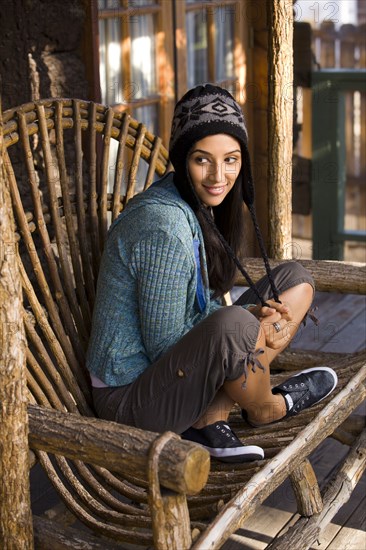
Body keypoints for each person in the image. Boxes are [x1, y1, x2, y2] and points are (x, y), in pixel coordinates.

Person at [86, 84, 337, 463]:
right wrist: (248, 324)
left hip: (180, 371)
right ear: (182, 158)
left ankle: (210, 415)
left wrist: (251, 320)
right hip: (134, 398)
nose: (218, 175)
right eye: (203, 160)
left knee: (295, 282)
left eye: (231, 160)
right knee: (236, 325)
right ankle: (266, 406)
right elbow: (164, 344)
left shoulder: (195, 203)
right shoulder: (163, 226)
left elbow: (199, 320)